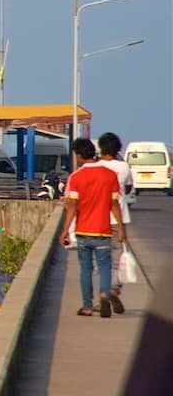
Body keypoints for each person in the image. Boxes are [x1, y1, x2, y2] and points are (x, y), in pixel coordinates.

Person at [59, 137, 128, 318]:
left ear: (79, 156)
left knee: (85, 269)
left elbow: (72, 206)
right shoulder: (109, 175)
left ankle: (87, 306)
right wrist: (121, 228)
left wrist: (65, 231)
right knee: (105, 266)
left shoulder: (76, 177)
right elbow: (115, 204)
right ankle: (104, 293)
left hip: (83, 230)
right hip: (103, 230)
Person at [93, 133, 133, 307]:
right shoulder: (124, 167)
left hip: (98, 219)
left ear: (101, 148)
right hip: (119, 219)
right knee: (119, 258)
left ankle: (102, 293)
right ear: (118, 149)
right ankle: (114, 289)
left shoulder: (95, 167)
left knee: (101, 259)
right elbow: (130, 187)